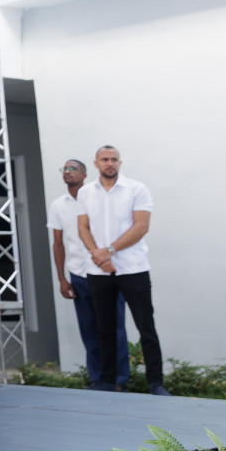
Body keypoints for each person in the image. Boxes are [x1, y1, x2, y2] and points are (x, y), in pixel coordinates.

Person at [77, 145, 165, 395]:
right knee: (104, 328)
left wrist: (110, 250)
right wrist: (98, 255)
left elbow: (141, 227)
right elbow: (83, 228)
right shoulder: (85, 192)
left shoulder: (137, 189)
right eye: (105, 159)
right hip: (99, 270)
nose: (110, 163)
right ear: (96, 163)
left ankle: (156, 383)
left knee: (146, 327)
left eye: (114, 159)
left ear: (120, 163)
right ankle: (107, 381)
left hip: (133, 267)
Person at [48, 159, 129, 388]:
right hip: (79, 273)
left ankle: (119, 380)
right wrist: (62, 279)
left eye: (73, 168)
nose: (67, 172)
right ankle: (98, 379)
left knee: (114, 327)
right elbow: (58, 244)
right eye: (64, 169)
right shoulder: (58, 205)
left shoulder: (99, 198)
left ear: (84, 174)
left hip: (105, 272)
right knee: (89, 328)